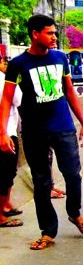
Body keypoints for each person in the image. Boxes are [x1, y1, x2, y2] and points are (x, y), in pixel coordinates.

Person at [0, 14, 83, 250]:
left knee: (73, 174)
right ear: (35, 34)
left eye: (55, 32)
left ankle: (74, 212)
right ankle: (48, 231)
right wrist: (2, 132)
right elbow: (7, 99)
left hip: (63, 127)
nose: (54, 37)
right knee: (42, 183)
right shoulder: (18, 64)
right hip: (34, 132)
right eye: (49, 33)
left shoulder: (61, 58)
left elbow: (70, 91)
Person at [0, 57, 23, 228]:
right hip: (6, 133)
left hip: (7, 131)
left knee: (8, 173)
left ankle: (6, 206)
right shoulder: (3, 79)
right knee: (6, 174)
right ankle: (1, 215)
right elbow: (18, 99)